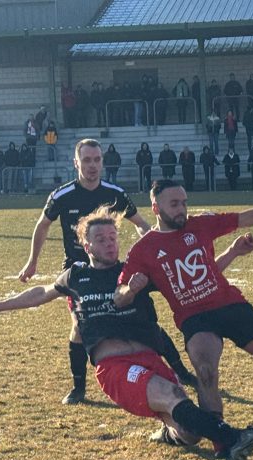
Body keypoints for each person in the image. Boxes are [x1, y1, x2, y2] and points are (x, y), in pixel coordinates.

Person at [0, 206, 253, 460]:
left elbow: (198, 275)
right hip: (116, 367)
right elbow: (41, 293)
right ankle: (232, 437)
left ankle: (171, 433)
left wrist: (233, 252)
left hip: (151, 360)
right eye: (101, 240)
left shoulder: (135, 270)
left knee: (190, 433)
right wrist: (1, 305)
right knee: (174, 397)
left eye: (113, 238)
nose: (110, 244)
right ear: (87, 245)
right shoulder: (76, 276)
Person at [116, 181, 253, 434]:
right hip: (194, 318)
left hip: (230, 306)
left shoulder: (201, 225)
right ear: (156, 208)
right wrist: (131, 289)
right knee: (205, 372)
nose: (181, 209)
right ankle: (221, 439)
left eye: (184, 203)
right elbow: (119, 297)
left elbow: (246, 217)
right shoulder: (143, 250)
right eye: (174, 204)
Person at [17, 138, 194, 404]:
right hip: (78, 273)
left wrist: (156, 248)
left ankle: (180, 370)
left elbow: (141, 224)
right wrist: (32, 261)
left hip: (110, 269)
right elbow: (43, 225)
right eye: (86, 160)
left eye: (97, 160)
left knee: (143, 318)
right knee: (79, 326)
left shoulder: (115, 193)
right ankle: (79, 388)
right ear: (76, 162)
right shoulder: (62, 195)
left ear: (103, 161)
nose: (92, 166)